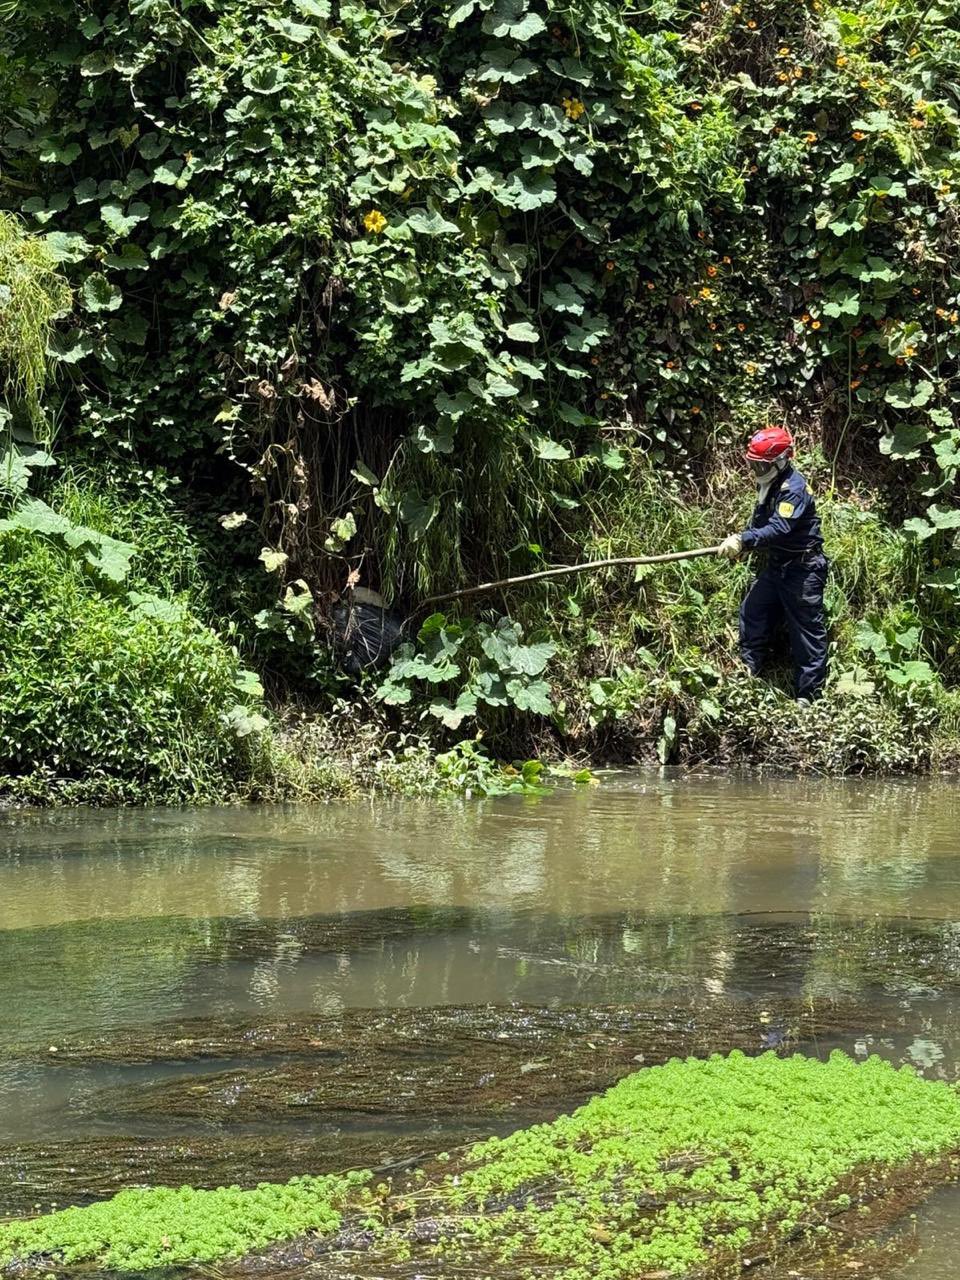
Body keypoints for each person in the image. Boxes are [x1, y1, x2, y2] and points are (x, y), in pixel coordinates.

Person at [718, 426, 828, 703]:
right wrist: (749, 545)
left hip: (802, 570)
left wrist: (743, 540)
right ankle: (749, 668)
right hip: (778, 566)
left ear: (780, 460)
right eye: (752, 464)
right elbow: (761, 523)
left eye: (760, 465)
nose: (755, 469)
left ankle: (808, 696)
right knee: (753, 609)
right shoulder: (770, 483)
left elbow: (779, 528)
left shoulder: (794, 489)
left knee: (806, 632)